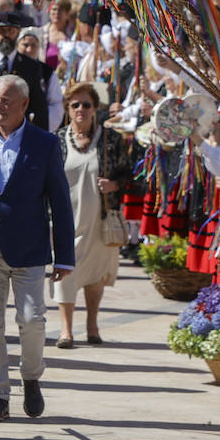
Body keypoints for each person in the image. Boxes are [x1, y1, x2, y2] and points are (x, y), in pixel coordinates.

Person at [0, 75, 74, 422]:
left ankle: (31, 376)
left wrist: (65, 257)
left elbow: (59, 201)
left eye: (7, 101)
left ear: (25, 105)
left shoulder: (44, 144)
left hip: (29, 247)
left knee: (31, 319)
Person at [52, 81, 132, 347]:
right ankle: (66, 330)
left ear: (96, 108)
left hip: (99, 219)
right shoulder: (58, 140)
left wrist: (115, 185)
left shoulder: (111, 138)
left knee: (95, 275)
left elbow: (129, 174)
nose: (81, 110)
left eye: (87, 105)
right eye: (75, 105)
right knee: (64, 272)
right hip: (66, 219)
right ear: (67, 108)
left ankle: (92, 326)